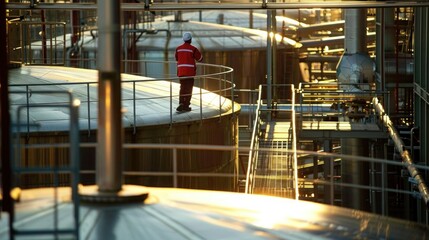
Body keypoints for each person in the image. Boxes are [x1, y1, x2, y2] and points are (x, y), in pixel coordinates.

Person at [175, 32, 203, 112]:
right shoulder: (193, 49)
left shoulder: (178, 49)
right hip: (190, 72)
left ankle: (181, 103)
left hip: (181, 72)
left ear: (183, 39)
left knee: (182, 88)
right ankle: (186, 105)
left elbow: (177, 58)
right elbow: (200, 59)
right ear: (190, 40)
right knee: (189, 88)